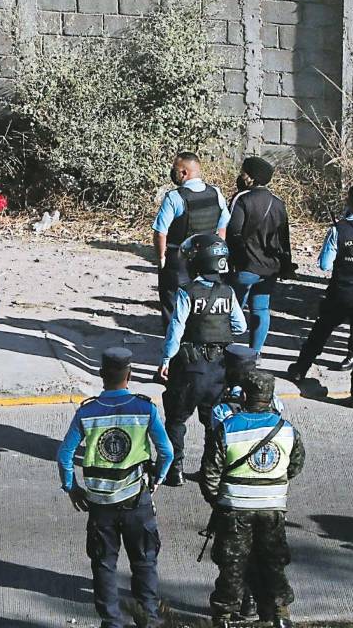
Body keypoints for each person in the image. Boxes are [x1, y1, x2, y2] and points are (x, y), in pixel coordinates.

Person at [56, 347, 172, 628]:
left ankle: (112, 621)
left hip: (99, 503)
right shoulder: (145, 408)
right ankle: (149, 618)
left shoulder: (88, 412)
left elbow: (64, 455)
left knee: (104, 564)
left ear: (100, 375)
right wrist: (156, 479)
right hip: (136, 499)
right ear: (129, 375)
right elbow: (166, 452)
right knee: (144, 562)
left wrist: (71, 487)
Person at [201, 370, 305, 628]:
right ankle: (280, 614)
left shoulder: (228, 427)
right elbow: (295, 466)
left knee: (232, 565)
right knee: (273, 562)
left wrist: (219, 501)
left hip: (234, 509)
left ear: (244, 395)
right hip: (272, 509)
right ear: (270, 397)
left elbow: (210, 473)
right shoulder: (286, 430)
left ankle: (223, 617)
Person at [287, 184, 353, 407]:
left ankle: (300, 369)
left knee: (320, 331)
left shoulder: (339, 230)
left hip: (340, 293)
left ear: (348, 202)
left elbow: (325, 265)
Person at [159, 234, 246, 486]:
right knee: (213, 422)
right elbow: (239, 326)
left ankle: (174, 470)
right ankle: (210, 470)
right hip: (219, 369)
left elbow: (176, 327)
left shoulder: (187, 292)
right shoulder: (228, 292)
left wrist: (166, 358)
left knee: (176, 418)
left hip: (190, 365)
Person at [153, 152, 230, 330]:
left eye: (175, 169)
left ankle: (174, 348)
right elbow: (223, 225)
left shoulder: (174, 197)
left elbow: (160, 232)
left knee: (173, 304)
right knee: (203, 301)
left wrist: (161, 258)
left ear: (184, 172)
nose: (173, 173)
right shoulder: (216, 193)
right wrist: (219, 250)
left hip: (178, 259)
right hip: (207, 259)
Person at [225, 157, 294, 353]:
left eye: (244, 171)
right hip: (270, 268)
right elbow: (284, 239)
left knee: (232, 311)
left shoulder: (242, 199)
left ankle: (224, 350)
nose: (241, 175)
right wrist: (286, 265)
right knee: (261, 310)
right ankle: (254, 354)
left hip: (245, 267)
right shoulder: (278, 203)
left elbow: (233, 233)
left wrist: (234, 262)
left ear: (251, 177)